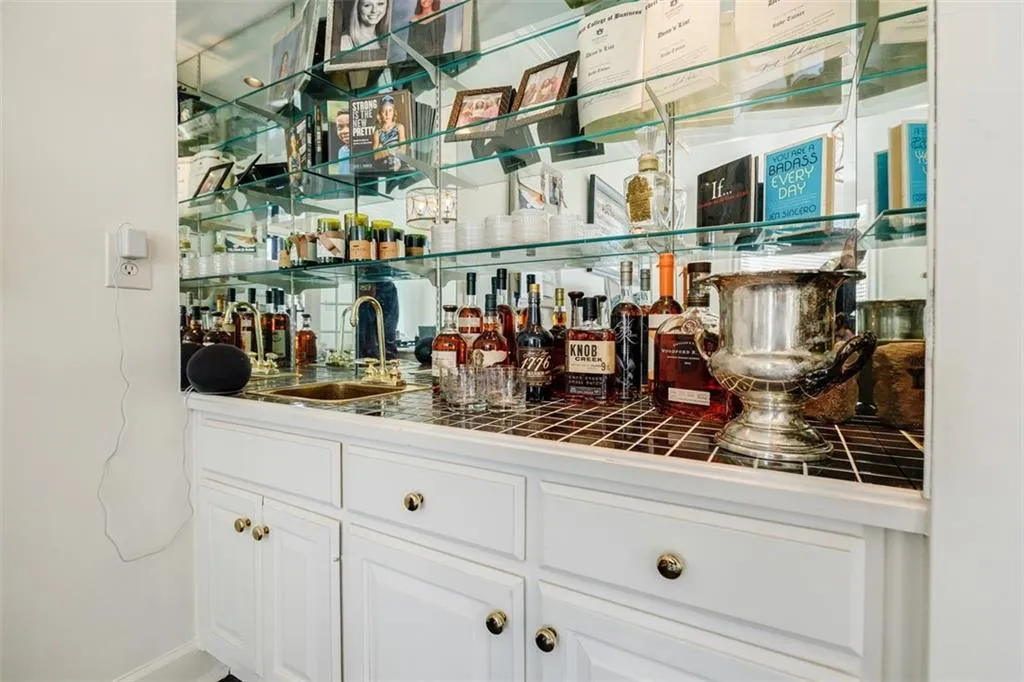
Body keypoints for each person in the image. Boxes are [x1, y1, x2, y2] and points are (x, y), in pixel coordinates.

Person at [356, 280, 399, 361]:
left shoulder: (388, 288)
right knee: (367, 338)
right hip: (379, 284)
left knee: (385, 335)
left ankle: (388, 365)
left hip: (380, 285)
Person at [372, 94, 407, 171]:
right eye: (384, 111)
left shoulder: (399, 127)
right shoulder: (377, 132)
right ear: (380, 113)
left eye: (390, 110)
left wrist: (383, 150)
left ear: (394, 112)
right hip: (384, 163)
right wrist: (392, 151)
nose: (387, 114)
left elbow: (403, 150)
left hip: (398, 162)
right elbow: (375, 155)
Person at [334, 110, 351, 175]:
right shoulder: (341, 151)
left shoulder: (367, 148)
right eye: (340, 127)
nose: (345, 131)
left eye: (350, 126)